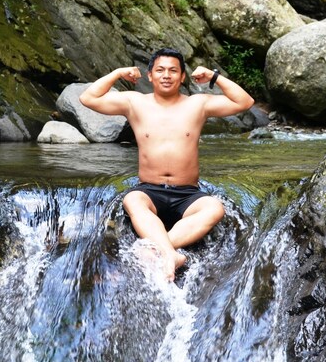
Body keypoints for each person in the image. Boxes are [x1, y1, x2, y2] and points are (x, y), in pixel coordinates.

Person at [79, 48, 255, 281]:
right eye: (160, 70)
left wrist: (214, 77)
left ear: (182, 77)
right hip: (150, 190)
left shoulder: (198, 104)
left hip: (188, 194)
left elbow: (245, 101)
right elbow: (88, 98)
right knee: (132, 200)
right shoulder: (134, 102)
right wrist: (118, 73)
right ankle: (171, 254)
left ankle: (161, 250)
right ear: (150, 75)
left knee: (215, 208)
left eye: (173, 71)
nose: (166, 75)